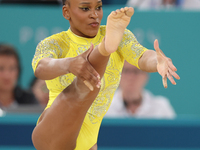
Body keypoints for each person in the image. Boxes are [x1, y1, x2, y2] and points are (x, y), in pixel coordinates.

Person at [31, 0, 180, 149]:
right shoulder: (54, 43)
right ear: (66, 12)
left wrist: (157, 61)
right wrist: (69, 64)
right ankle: (103, 49)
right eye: (85, 8)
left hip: (88, 142)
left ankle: (103, 49)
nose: (94, 14)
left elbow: (142, 56)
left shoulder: (121, 38)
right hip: (53, 132)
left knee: (89, 79)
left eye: (99, 7)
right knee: (86, 82)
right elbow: (41, 67)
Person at [105, 61, 176, 119]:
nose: (131, 77)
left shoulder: (161, 107)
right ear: (117, 75)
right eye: (126, 71)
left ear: (146, 76)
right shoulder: (105, 108)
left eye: (136, 71)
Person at [0, 44, 38, 110]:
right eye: (1, 69)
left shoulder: (28, 99)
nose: (7, 75)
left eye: (12, 68)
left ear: (18, 71)